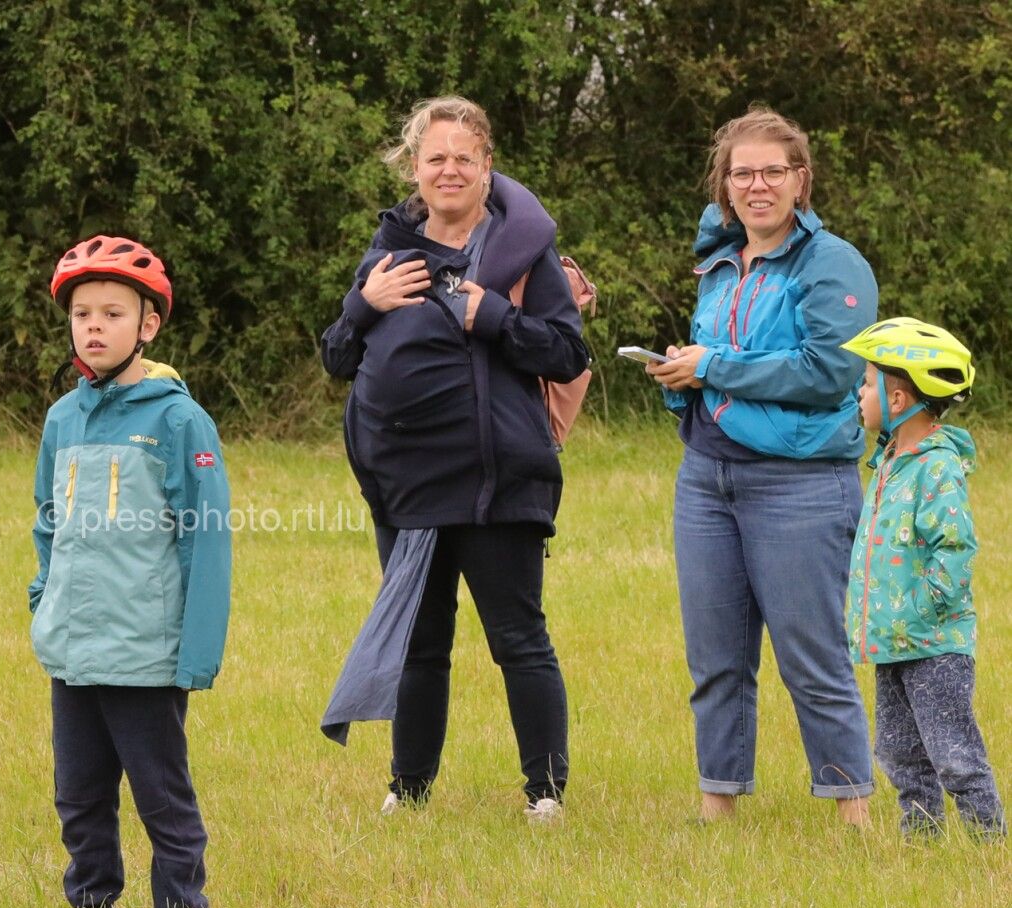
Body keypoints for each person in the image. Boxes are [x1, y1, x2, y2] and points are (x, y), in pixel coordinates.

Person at [318, 96, 590, 821]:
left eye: (464, 158)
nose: (449, 170)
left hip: (496, 482)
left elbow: (568, 353)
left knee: (518, 639)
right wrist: (363, 303)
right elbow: (336, 358)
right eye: (435, 157)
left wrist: (492, 315)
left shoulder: (522, 253)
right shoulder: (388, 252)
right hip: (406, 486)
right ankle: (408, 792)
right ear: (415, 167)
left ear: (487, 166)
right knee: (419, 643)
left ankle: (545, 795)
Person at [645, 106, 877, 825]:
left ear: (801, 180)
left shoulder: (832, 263)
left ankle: (852, 815)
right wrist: (682, 373)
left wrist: (713, 365)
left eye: (773, 171)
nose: (757, 185)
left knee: (813, 660)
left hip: (800, 485)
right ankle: (717, 806)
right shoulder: (720, 262)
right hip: (705, 480)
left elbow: (829, 371)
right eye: (742, 173)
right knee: (715, 659)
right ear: (725, 185)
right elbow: (720, 365)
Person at [30, 235, 231, 908]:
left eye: (112, 313)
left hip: (146, 650)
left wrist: (196, 650)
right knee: (78, 791)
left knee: (160, 792)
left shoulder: (177, 419)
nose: (94, 326)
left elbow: (206, 538)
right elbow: (48, 521)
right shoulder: (63, 418)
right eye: (82, 313)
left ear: (148, 325)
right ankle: (92, 907)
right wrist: (43, 602)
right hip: (73, 646)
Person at [841, 318, 1002, 837]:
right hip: (895, 641)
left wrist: (922, 608)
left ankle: (989, 842)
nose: (859, 394)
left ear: (898, 397)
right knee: (898, 751)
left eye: (867, 384)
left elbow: (954, 549)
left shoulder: (936, 467)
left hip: (932, 643)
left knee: (953, 752)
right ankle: (922, 841)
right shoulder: (890, 460)